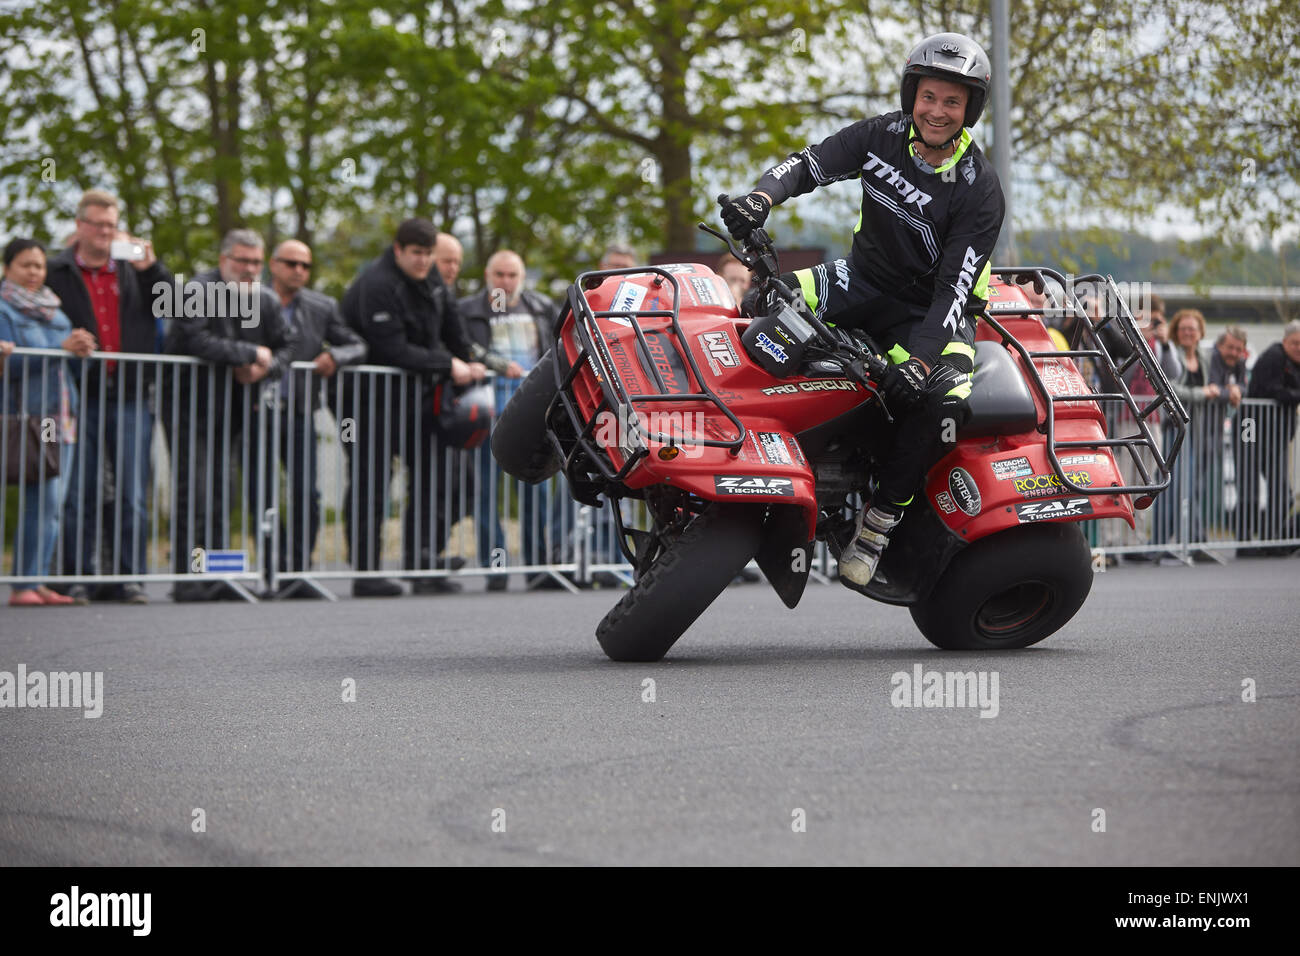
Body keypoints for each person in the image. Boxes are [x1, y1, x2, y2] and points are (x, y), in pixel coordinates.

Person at [721, 32, 1004, 589]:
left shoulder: (980, 188)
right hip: (861, 279)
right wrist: (760, 199)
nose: (938, 111)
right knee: (759, 303)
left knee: (940, 401)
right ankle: (748, 448)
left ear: (970, 108)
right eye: (929, 97)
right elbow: (811, 163)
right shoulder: (882, 134)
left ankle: (878, 523)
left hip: (932, 312)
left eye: (953, 101)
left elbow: (953, 290)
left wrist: (921, 363)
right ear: (911, 96)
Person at [341, 217, 484, 597]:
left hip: (418, 399)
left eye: (428, 254)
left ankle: (422, 562)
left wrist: (468, 358)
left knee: (433, 478)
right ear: (398, 249)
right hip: (368, 400)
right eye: (416, 254)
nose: (423, 262)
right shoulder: (376, 285)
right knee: (372, 483)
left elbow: (453, 329)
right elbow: (390, 349)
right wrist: (446, 364)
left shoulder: (432, 280)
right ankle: (366, 573)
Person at [45, 189, 172, 604]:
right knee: (78, 489)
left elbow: (177, 305)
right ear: (80, 226)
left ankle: (127, 577)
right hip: (78, 394)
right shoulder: (55, 270)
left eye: (111, 224)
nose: (105, 231)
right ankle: (75, 575)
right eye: (97, 223)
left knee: (133, 493)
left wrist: (151, 267)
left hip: (131, 394)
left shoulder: (135, 270)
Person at [164, 229, 297, 601]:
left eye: (256, 262)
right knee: (195, 491)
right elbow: (193, 339)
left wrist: (264, 368)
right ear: (223, 259)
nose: (249, 269)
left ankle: (219, 576)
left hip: (236, 411)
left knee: (225, 492)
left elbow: (287, 346)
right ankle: (188, 579)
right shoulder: (196, 290)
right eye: (242, 260)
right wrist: (249, 353)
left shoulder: (266, 299)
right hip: (191, 408)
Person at [266, 239, 366, 595]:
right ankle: (267, 574)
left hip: (298, 411)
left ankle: (296, 573)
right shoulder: (249, 299)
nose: (298, 271)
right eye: (291, 263)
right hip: (253, 413)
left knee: (306, 494)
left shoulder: (321, 306)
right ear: (273, 264)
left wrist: (336, 355)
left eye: (305, 266)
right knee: (259, 495)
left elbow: (357, 343)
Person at [1, 238, 96, 606]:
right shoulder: (4, 310)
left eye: (39, 266)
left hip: (61, 417)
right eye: (25, 265)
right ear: (7, 268)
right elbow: (10, 364)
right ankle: (23, 585)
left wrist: (80, 350)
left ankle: (36, 580)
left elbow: (65, 363)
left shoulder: (55, 311)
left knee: (52, 503)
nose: (33, 273)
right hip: (23, 416)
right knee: (38, 499)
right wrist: (60, 350)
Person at [459, 249, 557, 590]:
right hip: (486, 412)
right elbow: (463, 347)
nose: (505, 281)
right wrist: (498, 366)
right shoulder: (467, 310)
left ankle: (538, 568)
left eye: (512, 275)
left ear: (522, 277)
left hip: (532, 416)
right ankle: (495, 569)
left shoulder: (541, 308)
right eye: (499, 274)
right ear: (488, 275)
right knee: (486, 494)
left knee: (535, 494)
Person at [1240, 321, 1300, 550]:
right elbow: (1275, 391)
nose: (1298, 347)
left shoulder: (1294, 362)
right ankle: (1245, 543)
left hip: (1277, 436)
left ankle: (1269, 538)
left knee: (1282, 493)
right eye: (1294, 343)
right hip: (1250, 428)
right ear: (1285, 341)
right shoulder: (1274, 357)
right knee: (1249, 487)